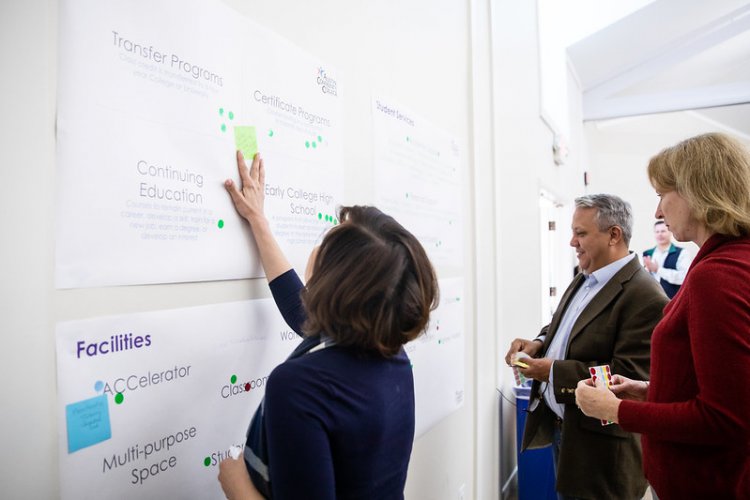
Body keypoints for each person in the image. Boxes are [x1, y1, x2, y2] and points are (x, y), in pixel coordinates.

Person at [217, 151, 439, 499]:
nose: (319, 245)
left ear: (337, 280)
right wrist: (258, 220)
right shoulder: (388, 357)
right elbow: (300, 309)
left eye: (330, 239)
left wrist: (236, 485)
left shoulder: (297, 387)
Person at [575, 132, 750, 499]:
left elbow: (726, 418)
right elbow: (722, 386)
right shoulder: (730, 261)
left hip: (706, 482)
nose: (657, 212)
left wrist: (618, 409)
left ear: (696, 191)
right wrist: (648, 392)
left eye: (661, 196)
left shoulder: (715, 276)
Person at [505, 194, 668, 500]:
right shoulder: (586, 276)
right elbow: (562, 324)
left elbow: (626, 377)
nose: (571, 242)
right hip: (566, 433)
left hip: (602, 454)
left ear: (614, 235)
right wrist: (539, 343)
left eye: (580, 234)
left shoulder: (645, 296)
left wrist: (549, 371)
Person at [642, 220, 691, 298]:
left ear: (670, 232)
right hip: (651, 300)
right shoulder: (647, 253)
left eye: (663, 231)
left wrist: (658, 270)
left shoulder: (682, 253)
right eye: (657, 232)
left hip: (673, 300)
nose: (660, 234)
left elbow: (684, 278)